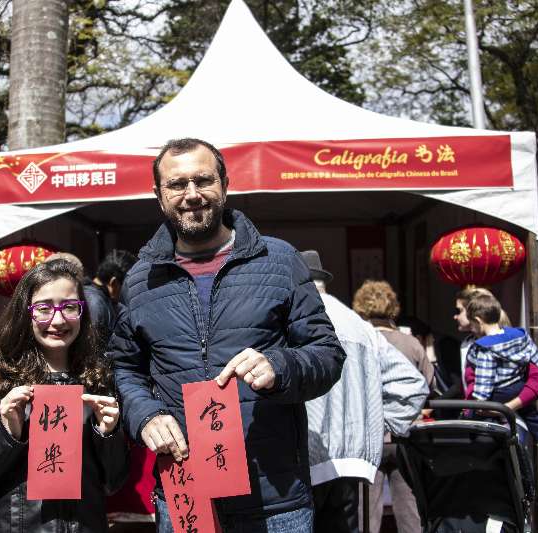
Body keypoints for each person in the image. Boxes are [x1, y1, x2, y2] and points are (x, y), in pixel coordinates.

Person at [109, 138, 344, 531]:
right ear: (158, 195)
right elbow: (124, 368)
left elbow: (327, 354)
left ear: (225, 185)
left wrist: (280, 366)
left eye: (203, 180)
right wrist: (145, 414)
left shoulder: (279, 260)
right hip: (185, 492)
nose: (192, 195)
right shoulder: (140, 280)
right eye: (177, 184)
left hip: (275, 499)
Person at [0, 259, 129, 532]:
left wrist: (108, 434)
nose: (58, 320)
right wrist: (8, 434)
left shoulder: (97, 376)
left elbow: (114, 482)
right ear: (26, 313)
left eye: (70, 307)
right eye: (43, 308)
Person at [302, 251, 428, 533]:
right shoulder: (359, 325)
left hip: (305, 458)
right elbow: (413, 385)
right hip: (350, 461)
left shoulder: (294, 318)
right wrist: (375, 426)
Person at [352, 280, 432, 533]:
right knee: (409, 506)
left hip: (368, 435)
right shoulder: (411, 343)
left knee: (366, 511)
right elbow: (426, 383)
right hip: (404, 435)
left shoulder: (357, 342)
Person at [463, 292, 538, 468]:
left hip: (498, 393)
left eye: (472, 324)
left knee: (472, 418)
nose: (472, 329)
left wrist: (478, 403)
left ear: (479, 321)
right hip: (518, 386)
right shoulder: (520, 335)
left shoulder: (485, 348)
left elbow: (485, 381)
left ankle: (469, 450)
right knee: (532, 415)